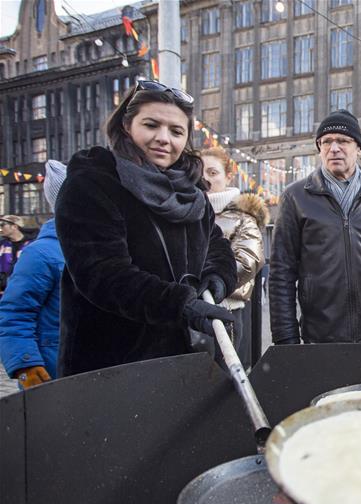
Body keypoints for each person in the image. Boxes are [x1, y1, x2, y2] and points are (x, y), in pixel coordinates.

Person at [55, 80, 237, 377]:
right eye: (151, 125)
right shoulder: (92, 185)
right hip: (111, 366)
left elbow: (216, 247)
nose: (164, 138)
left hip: (181, 358)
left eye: (176, 131)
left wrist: (218, 277)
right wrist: (182, 305)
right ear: (127, 125)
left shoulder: (192, 194)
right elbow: (104, 275)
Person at [270, 110, 361, 344]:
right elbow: (282, 272)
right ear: (319, 148)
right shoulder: (296, 197)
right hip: (320, 336)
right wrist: (285, 338)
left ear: (359, 148)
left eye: (343, 141)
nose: (334, 148)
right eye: (326, 142)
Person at [0, 161, 67, 388]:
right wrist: (25, 366)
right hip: (50, 374)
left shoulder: (102, 248)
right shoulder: (40, 253)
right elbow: (14, 313)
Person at [201, 147, 269, 368]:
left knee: (224, 379)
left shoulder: (243, 219)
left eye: (213, 172)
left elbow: (248, 261)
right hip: (190, 312)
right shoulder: (186, 213)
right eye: (201, 172)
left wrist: (212, 282)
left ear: (227, 176)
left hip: (226, 309)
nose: (205, 178)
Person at [0, 214, 35, 297]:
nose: (0, 229)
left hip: (24, 293)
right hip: (2, 293)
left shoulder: (32, 245)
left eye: (2, 225)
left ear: (15, 226)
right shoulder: (2, 244)